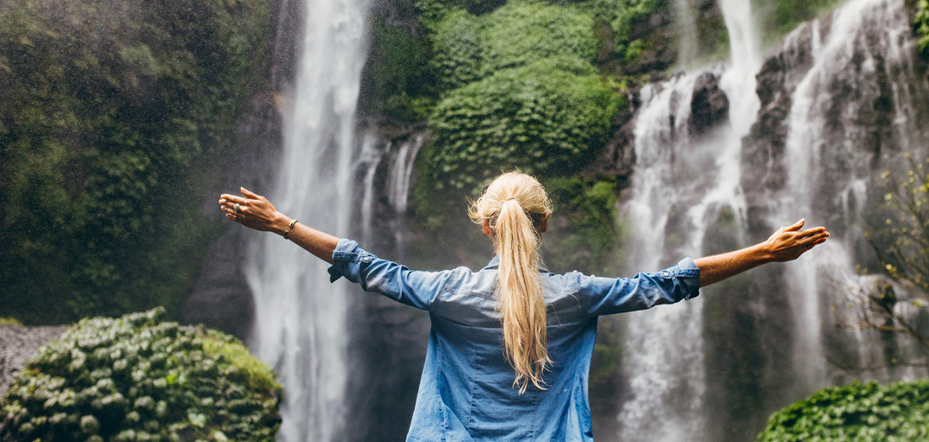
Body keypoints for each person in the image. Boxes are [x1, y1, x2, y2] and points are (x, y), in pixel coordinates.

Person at [219, 171, 828, 441]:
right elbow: (667, 282)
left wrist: (282, 224)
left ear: (487, 227)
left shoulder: (448, 292)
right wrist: (764, 253)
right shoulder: (577, 295)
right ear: (544, 222)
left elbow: (364, 263)